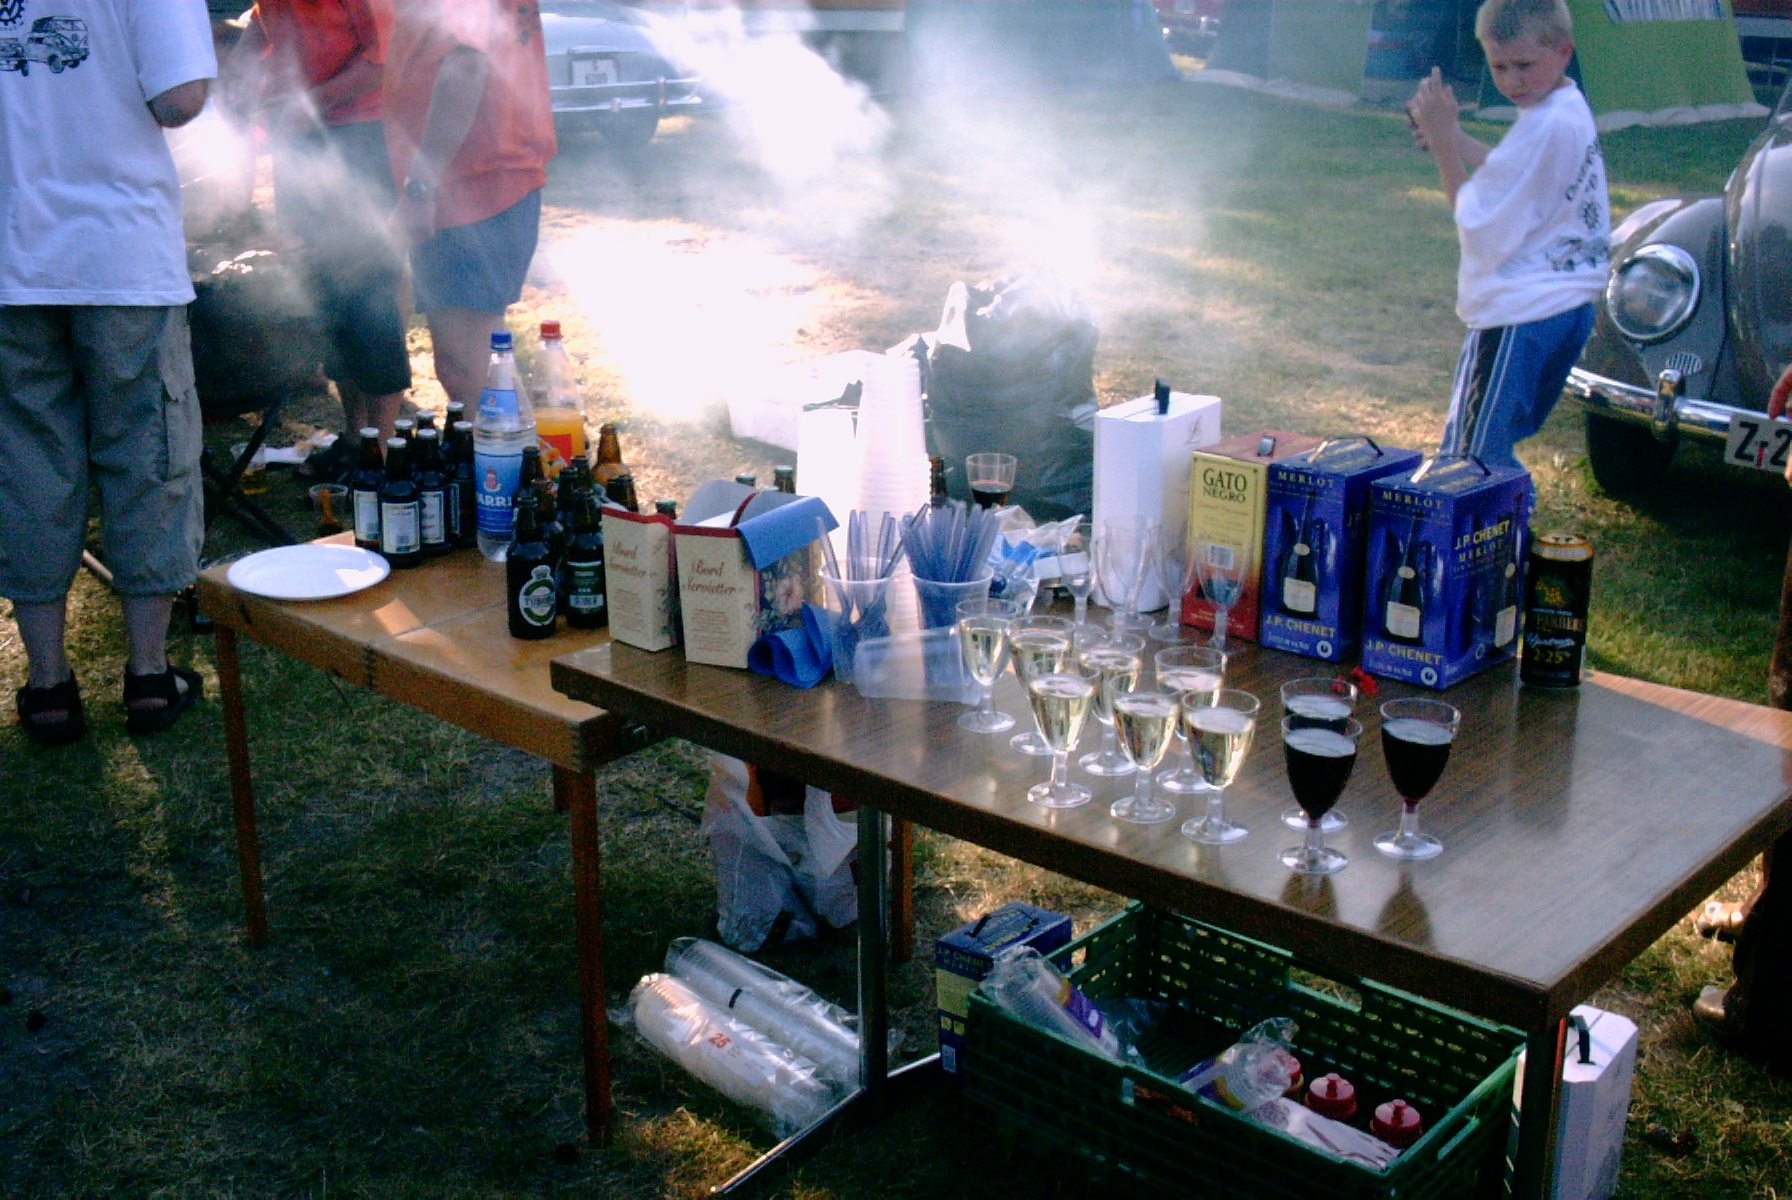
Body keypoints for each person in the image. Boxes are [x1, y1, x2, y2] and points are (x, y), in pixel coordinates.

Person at [0, 0, 218, 745]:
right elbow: (179, 97)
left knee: (25, 464)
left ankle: (49, 686)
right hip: (117, 252)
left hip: (10, 258)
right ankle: (149, 676)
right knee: (146, 452)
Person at [1407, 0, 1609, 474]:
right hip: (1568, 306)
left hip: (1521, 314)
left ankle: (1502, 523)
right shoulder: (1566, 105)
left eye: (1524, 65)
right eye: (1499, 67)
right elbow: (1519, 171)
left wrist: (1444, 147)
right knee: (1492, 450)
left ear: (1563, 52)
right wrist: (1454, 138)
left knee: (1472, 460)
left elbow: (1477, 223)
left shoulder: (1545, 124)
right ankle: (1512, 518)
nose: (1513, 81)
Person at [227, 0, 412, 470]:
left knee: (369, 295)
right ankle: (353, 436)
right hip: (299, 137)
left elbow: (382, 61)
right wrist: (238, 77)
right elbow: (263, 21)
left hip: (362, 135)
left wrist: (305, 106)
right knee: (325, 290)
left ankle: (382, 448)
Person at [382, 0, 556, 410]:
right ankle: (520, 448)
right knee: (470, 360)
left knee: (468, 362)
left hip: (477, 184)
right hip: (477, 180)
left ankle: (518, 451)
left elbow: (466, 66)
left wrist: (420, 189)